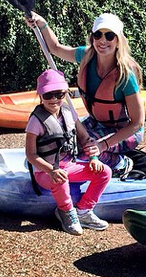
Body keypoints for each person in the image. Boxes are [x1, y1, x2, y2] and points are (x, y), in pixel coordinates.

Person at [27, 12, 144, 179]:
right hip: (96, 124)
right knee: (63, 142)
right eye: (98, 35)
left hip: (125, 131)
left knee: (83, 150)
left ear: (118, 40)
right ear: (92, 37)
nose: (103, 41)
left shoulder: (125, 76)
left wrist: (103, 145)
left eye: (109, 36)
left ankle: (120, 163)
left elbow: (137, 123)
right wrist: (42, 24)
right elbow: (55, 48)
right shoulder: (86, 55)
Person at [25, 68, 112, 235]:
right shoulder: (36, 121)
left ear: (65, 93)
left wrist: (94, 157)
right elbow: (31, 155)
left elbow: (85, 138)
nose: (54, 99)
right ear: (40, 95)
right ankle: (65, 212)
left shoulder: (68, 113)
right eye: (48, 95)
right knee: (61, 178)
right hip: (45, 171)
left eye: (59, 94)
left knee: (104, 172)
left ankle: (84, 211)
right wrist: (51, 170)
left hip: (69, 166)